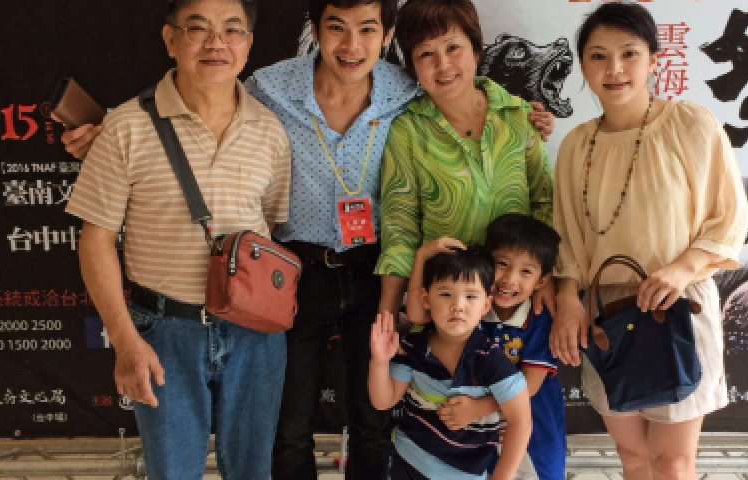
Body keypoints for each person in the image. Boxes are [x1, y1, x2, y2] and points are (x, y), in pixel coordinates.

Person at [59, 1, 553, 478]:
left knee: (374, 419)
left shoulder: (408, 91)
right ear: (315, 31)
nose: (352, 44)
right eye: (337, 27)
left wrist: (522, 112)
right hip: (295, 272)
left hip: (376, 270)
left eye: (367, 29)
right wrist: (109, 133)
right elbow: (207, 104)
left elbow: (461, 92)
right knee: (288, 425)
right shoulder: (268, 88)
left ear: (386, 35)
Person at [64, 0, 292, 478]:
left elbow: (269, 229)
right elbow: (95, 241)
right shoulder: (127, 126)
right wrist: (125, 341)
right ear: (170, 39)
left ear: (249, 44)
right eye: (198, 29)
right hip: (164, 333)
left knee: (254, 471)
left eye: (232, 30)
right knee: (172, 473)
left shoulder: (270, 131)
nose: (216, 43)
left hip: (256, 337)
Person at [551, 2, 748, 479]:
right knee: (633, 458)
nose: (614, 69)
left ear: (654, 59)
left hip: (676, 307)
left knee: (673, 461)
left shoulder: (690, 125)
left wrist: (681, 270)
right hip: (606, 317)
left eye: (629, 53)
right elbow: (567, 235)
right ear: (583, 66)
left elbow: (728, 216)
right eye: (598, 56)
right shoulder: (576, 144)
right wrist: (568, 299)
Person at [375, 0, 555, 319]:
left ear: (476, 50)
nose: (443, 65)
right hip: (445, 308)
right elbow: (399, 229)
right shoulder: (408, 130)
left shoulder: (518, 116)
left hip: (513, 303)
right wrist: (387, 316)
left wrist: (545, 280)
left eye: (453, 48)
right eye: (426, 54)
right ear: (412, 66)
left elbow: (545, 203)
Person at [407, 214, 566, 480]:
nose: (510, 279)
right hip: (479, 431)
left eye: (526, 271)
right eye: (502, 264)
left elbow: (531, 383)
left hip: (533, 422)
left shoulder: (540, 317)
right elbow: (416, 313)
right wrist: (422, 257)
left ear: (541, 281)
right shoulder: (473, 309)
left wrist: (479, 408)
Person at [368, 247, 532, 480]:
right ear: (426, 299)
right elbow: (383, 401)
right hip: (408, 461)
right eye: (446, 294)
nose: (458, 306)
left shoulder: (489, 358)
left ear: (486, 305)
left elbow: (521, 421)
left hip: (465, 474)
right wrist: (379, 361)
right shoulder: (413, 347)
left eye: (470, 296)